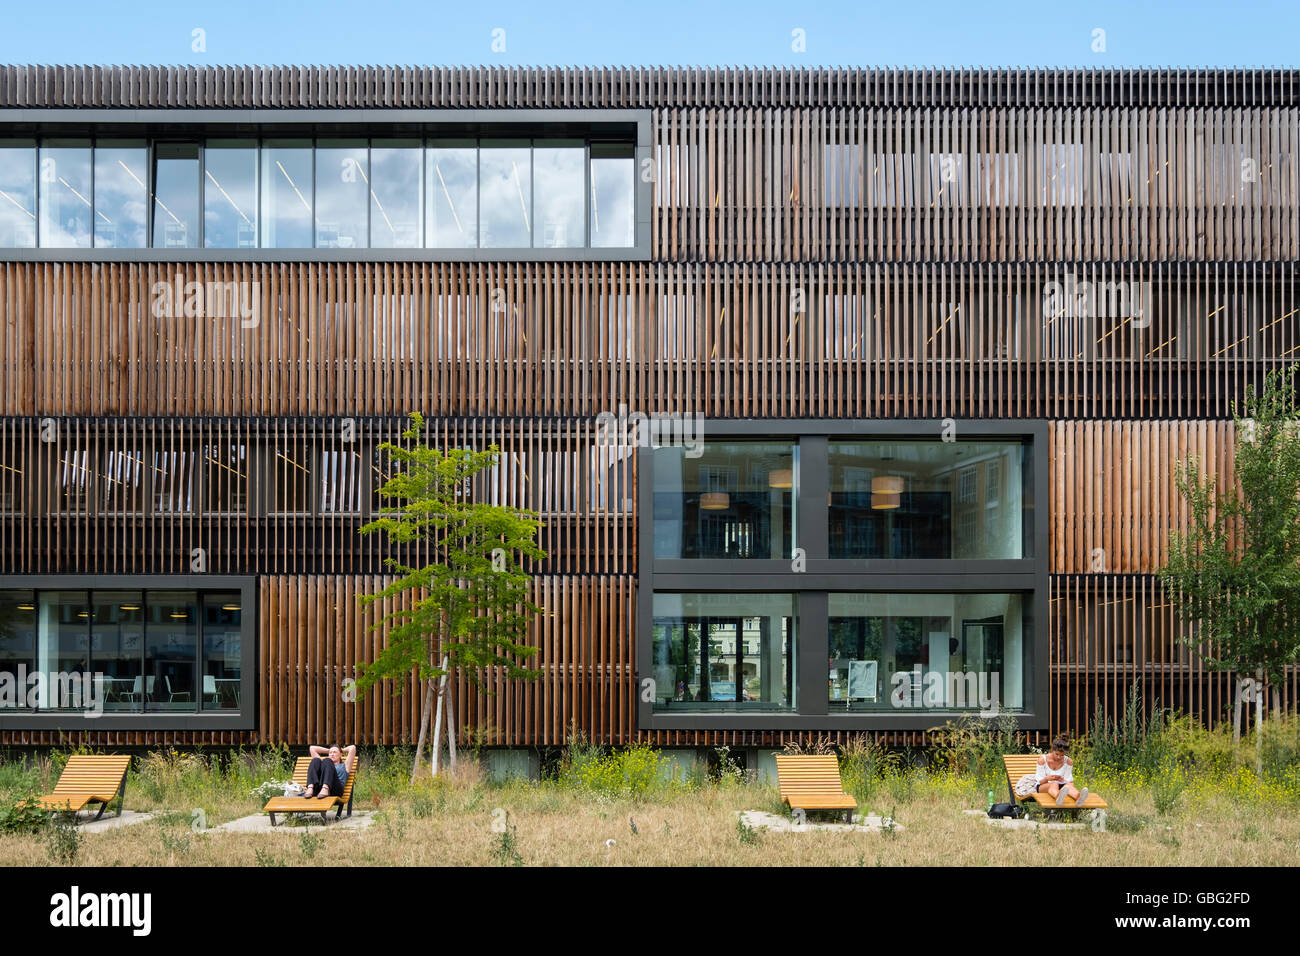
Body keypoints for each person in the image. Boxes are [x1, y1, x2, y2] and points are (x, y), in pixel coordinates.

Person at [1036, 736, 1089, 807]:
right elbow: (1040, 782)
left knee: (1069, 785)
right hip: (1043, 786)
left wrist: (1063, 780)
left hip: (1062, 786)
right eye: (1057, 754)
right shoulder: (1042, 760)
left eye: (1062, 755)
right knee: (1054, 784)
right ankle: (1058, 797)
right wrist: (1047, 778)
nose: (1059, 757)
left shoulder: (1068, 761)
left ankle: (1079, 798)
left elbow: (1068, 780)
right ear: (1052, 750)